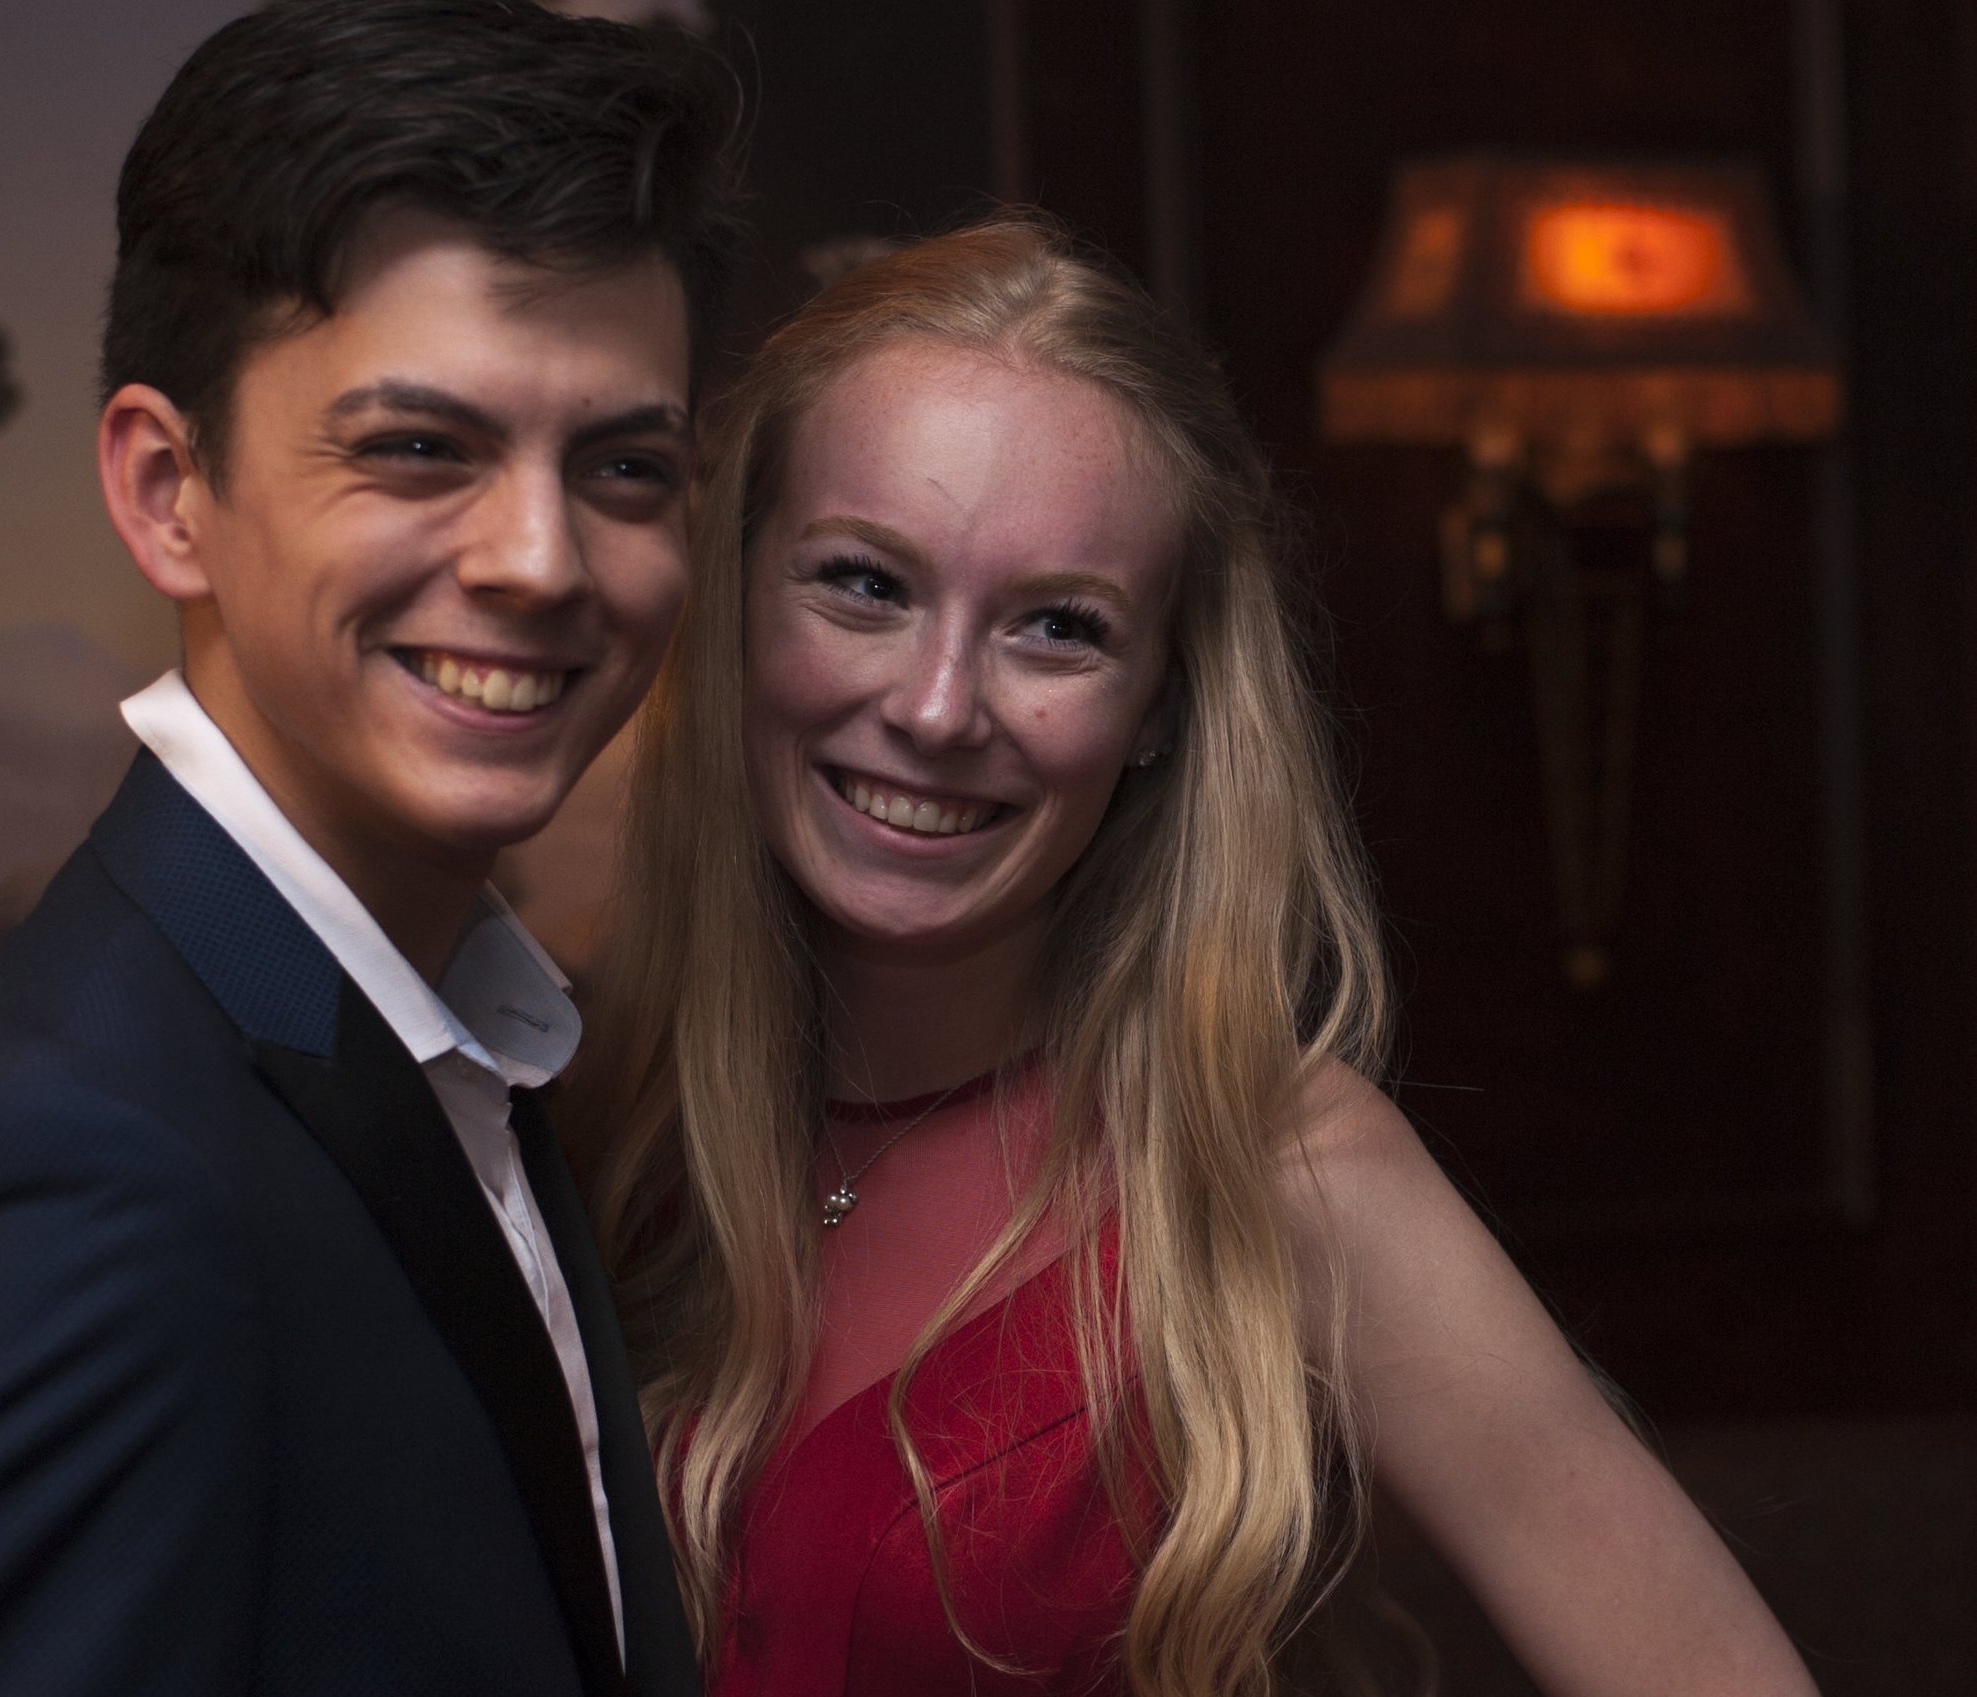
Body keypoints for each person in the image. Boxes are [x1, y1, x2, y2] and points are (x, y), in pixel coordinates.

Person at [569, 214, 1817, 1697]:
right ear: (732, 600)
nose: (939, 704)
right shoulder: (584, 1099)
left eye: (1057, 627)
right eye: (864, 583)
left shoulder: (1279, 1170)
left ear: (1160, 703)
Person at [0, 4, 738, 1693]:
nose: (546, 560)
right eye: (423, 448)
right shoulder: (70, 1172)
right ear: (166, 490)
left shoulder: (442, 1038)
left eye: (626, 465)